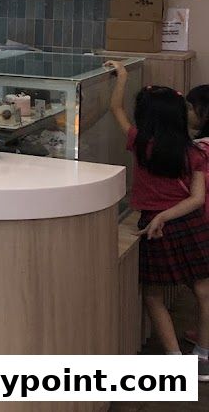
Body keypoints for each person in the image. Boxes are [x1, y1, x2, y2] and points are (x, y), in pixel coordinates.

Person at [107, 61, 209, 379]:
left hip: (155, 227)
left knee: (152, 295)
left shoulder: (140, 143)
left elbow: (115, 108)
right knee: (204, 293)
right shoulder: (194, 152)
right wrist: (169, 213)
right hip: (190, 225)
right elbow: (197, 199)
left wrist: (122, 77)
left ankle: (175, 360)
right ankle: (203, 358)